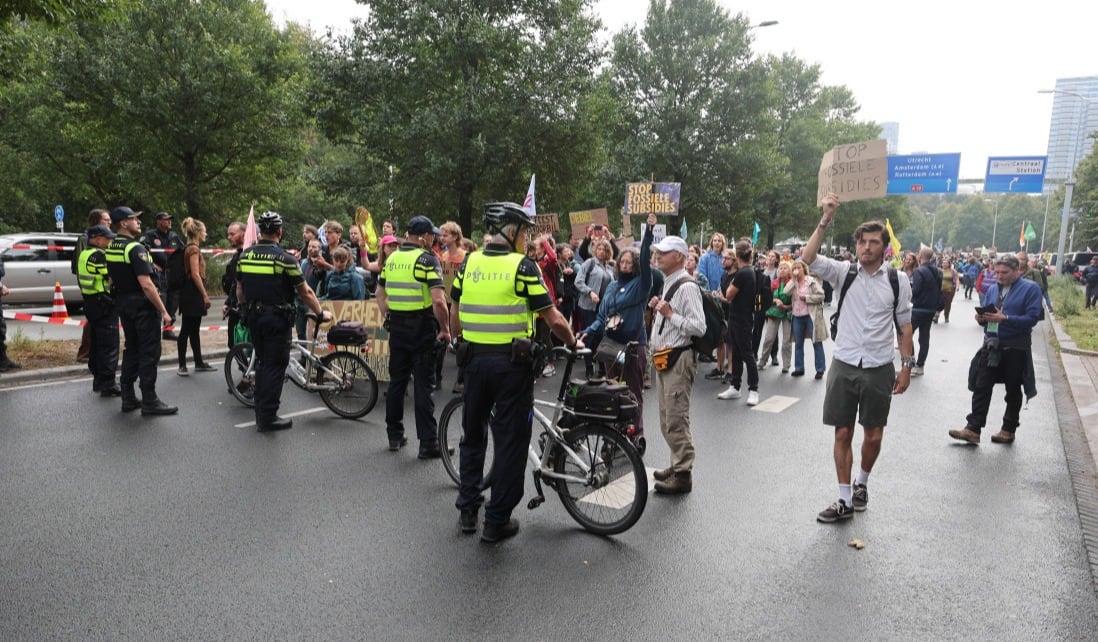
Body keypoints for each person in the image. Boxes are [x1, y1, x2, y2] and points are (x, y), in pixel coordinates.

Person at [450, 202, 582, 542]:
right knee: (510, 442)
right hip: (511, 367)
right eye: (524, 232)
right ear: (510, 231)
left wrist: (457, 339)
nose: (527, 239)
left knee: (473, 436)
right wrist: (574, 342)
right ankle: (496, 521)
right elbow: (552, 317)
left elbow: (454, 305)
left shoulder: (470, 261)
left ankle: (467, 509)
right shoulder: (522, 267)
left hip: (474, 363)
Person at [801, 193, 914, 524]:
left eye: (873, 242)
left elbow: (905, 327)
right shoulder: (842, 272)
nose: (867, 247)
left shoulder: (898, 280)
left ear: (883, 247)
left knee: (874, 434)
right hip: (845, 363)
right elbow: (806, 258)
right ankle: (844, 498)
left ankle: (862, 482)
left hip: (879, 366)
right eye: (862, 241)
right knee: (842, 433)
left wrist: (905, 368)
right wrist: (826, 218)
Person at [236, 212, 331, 432]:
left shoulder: (245, 256)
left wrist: (244, 309)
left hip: (253, 317)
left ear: (260, 232)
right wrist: (319, 313)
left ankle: (261, 412)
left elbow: (240, 289)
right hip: (276, 319)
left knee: (261, 363)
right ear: (280, 232)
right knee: (275, 366)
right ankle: (268, 418)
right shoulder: (285, 258)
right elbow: (305, 291)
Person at [376, 215, 450, 457]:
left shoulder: (392, 258)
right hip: (421, 329)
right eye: (432, 234)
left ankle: (394, 435)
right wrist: (445, 329)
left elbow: (379, 292)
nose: (433, 238)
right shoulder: (428, 260)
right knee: (423, 386)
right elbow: (439, 301)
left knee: (397, 382)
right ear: (424, 236)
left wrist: (388, 315)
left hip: (397, 327)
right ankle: (428, 443)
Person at [949, 254, 1043, 445]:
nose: (999, 276)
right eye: (996, 271)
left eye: (1004, 272)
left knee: (1013, 389)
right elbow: (987, 311)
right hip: (992, 344)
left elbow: (1033, 318)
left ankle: (1008, 429)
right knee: (981, 385)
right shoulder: (993, 289)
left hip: (1015, 347)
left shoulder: (1031, 289)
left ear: (1017, 271)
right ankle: (973, 429)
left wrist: (1006, 319)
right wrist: (982, 318)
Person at [579, 213, 656, 438]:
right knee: (614, 389)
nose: (624, 265)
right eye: (622, 261)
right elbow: (602, 317)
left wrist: (648, 232)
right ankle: (617, 432)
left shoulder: (641, 284)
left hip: (633, 346)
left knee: (633, 392)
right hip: (614, 347)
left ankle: (635, 433)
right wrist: (587, 331)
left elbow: (645, 259)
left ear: (635, 267)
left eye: (629, 262)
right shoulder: (612, 286)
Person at [648, 235, 707, 495]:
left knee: (676, 418)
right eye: (657, 251)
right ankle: (677, 464)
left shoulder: (687, 286)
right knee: (666, 418)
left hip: (678, 359)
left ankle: (683, 474)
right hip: (666, 358)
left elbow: (699, 327)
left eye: (664, 251)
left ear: (679, 257)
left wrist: (670, 315)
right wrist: (662, 311)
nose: (658, 255)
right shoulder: (669, 282)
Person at [104, 207, 178, 416]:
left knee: (132, 349)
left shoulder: (112, 247)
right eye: (133, 219)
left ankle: (128, 397)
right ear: (123, 223)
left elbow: (111, 278)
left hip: (124, 304)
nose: (138, 222)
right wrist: (164, 311)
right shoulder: (135, 248)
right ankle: (150, 400)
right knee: (149, 353)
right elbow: (146, 284)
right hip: (143, 307)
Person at [77, 224, 121, 395]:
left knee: (96, 343)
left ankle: (98, 380)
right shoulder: (99, 255)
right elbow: (112, 277)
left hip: (91, 302)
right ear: (96, 239)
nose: (110, 241)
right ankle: (108, 383)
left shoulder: (84, 254)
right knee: (109, 344)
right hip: (103, 302)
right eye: (107, 238)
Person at [717, 240, 760, 405]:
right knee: (735, 353)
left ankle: (753, 389)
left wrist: (727, 290)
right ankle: (735, 386)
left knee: (747, 355)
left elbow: (728, 295)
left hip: (742, 319)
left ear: (737, 254)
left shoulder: (743, 273)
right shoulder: (750, 271)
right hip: (738, 317)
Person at [174, 218, 215, 375]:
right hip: (192, 293)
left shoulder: (191, 247)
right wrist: (205, 295)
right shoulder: (193, 249)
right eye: (204, 231)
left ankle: (198, 362)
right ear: (198, 232)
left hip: (191, 292)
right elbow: (195, 274)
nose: (206, 233)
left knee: (194, 329)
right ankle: (182, 365)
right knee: (186, 329)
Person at [73, 208, 112, 364]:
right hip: (94, 289)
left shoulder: (107, 238)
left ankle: (94, 356)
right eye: (105, 220)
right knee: (94, 324)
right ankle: (86, 353)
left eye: (109, 220)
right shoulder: (85, 239)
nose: (109, 222)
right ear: (96, 222)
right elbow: (80, 264)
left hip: (101, 289)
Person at [140, 212, 184, 341]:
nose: (169, 222)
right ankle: (154, 332)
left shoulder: (174, 236)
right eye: (166, 220)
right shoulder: (150, 236)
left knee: (173, 303)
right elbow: (141, 251)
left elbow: (183, 251)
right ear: (158, 221)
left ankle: (168, 331)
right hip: (159, 275)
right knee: (160, 303)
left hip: (174, 275)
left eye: (170, 219)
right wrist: (152, 264)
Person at [575, 238, 614, 378]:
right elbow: (578, 282)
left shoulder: (609, 268)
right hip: (588, 306)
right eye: (599, 249)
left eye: (604, 249)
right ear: (595, 250)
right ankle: (589, 365)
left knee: (601, 336)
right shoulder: (589, 263)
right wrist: (590, 291)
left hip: (603, 308)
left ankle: (602, 366)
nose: (602, 252)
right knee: (589, 335)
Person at [785, 260, 826, 378]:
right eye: (794, 268)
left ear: (804, 269)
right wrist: (793, 280)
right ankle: (799, 368)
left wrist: (807, 298)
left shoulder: (811, 281)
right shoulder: (793, 282)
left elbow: (821, 295)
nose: (796, 270)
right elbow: (786, 292)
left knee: (816, 342)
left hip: (810, 315)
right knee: (798, 343)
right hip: (797, 316)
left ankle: (820, 369)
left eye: (799, 267)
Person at [909, 247, 943, 376]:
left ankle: (911, 362)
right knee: (924, 337)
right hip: (931, 309)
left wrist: (909, 291)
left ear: (920, 256)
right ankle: (920, 365)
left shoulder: (919, 271)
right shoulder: (938, 271)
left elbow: (916, 290)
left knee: (906, 335)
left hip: (918, 308)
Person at [757, 260, 793, 373]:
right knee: (769, 338)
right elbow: (767, 298)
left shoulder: (792, 283)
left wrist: (786, 307)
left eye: (785, 268)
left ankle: (786, 365)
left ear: (789, 271)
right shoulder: (773, 283)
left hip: (788, 312)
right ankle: (763, 360)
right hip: (774, 311)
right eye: (780, 268)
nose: (782, 270)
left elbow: (796, 301)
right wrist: (776, 300)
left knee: (787, 341)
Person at [221, 221, 246, 348]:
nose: (229, 237)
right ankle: (246, 368)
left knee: (243, 343)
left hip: (245, 307)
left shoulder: (247, 256)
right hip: (234, 307)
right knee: (232, 343)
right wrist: (228, 302)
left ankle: (250, 367)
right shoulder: (237, 255)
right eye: (228, 234)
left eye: (232, 234)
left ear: (243, 234)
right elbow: (233, 283)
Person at [937, 255, 960, 323]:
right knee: (939, 303)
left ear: (949, 264)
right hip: (940, 290)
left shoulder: (953, 271)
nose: (944, 264)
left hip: (950, 290)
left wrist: (958, 286)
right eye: (943, 263)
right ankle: (936, 316)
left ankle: (946, 316)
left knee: (947, 304)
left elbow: (957, 279)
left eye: (946, 263)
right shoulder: (939, 271)